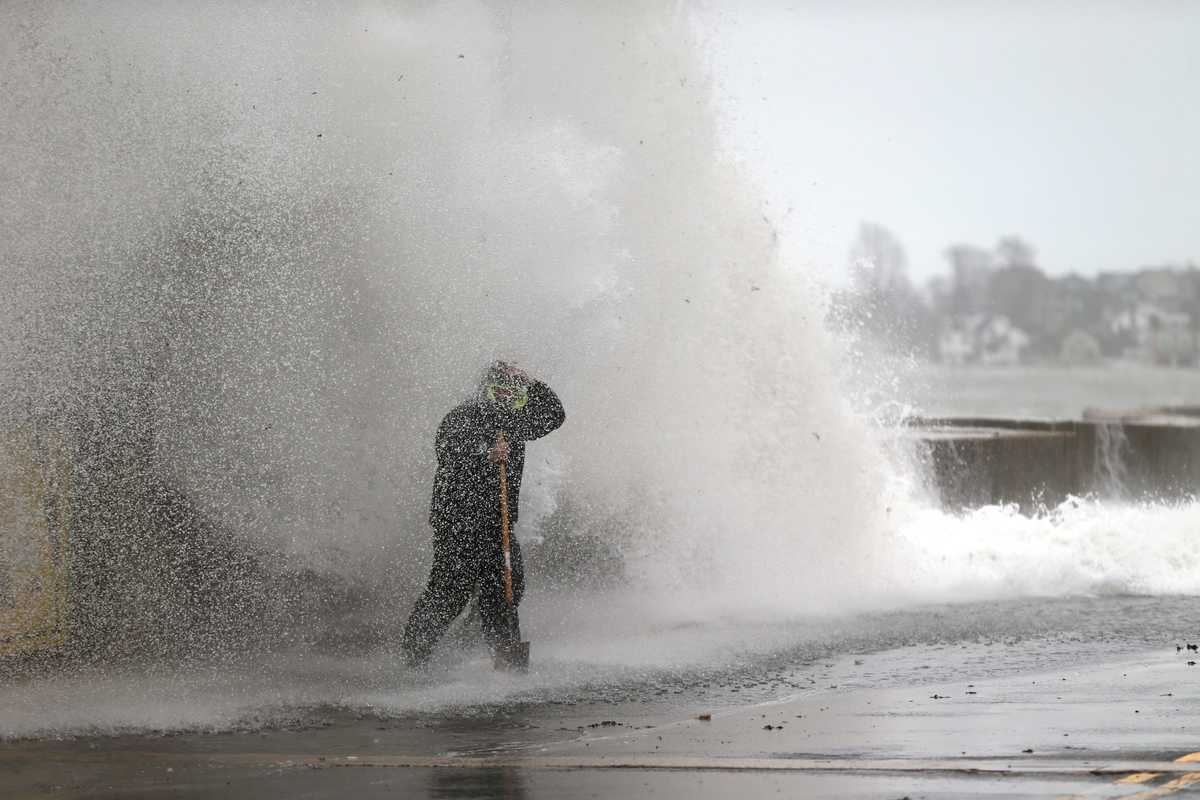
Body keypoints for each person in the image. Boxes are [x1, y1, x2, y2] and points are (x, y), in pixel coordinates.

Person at [401, 361, 565, 667]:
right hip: (458, 522)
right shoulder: (462, 416)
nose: (506, 394)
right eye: (500, 388)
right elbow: (448, 450)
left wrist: (531, 381)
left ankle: (506, 665)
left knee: (506, 589)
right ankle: (413, 658)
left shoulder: (514, 420)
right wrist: (484, 453)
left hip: (497, 523)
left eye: (512, 389)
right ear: (486, 388)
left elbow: (554, 415)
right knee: (450, 592)